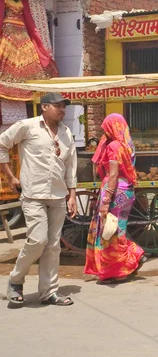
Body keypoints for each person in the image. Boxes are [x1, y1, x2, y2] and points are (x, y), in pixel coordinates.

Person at [1, 93, 77, 307]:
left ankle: (49, 292)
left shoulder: (66, 132)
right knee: (37, 240)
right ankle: (16, 281)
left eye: (64, 106)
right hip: (33, 194)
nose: (62, 109)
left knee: (53, 246)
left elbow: (70, 165)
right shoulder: (28, 126)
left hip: (58, 195)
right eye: (58, 106)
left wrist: (72, 194)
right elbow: (2, 144)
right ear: (44, 107)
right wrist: (10, 176)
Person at [84, 114, 145, 284]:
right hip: (127, 192)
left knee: (110, 233)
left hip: (115, 192)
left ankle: (118, 270)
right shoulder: (127, 145)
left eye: (105, 128)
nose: (104, 131)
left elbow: (113, 175)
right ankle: (129, 259)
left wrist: (105, 201)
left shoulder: (113, 147)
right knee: (118, 230)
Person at [0, 0, 58, 99]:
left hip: (22, 30)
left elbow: (28, 18)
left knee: (29, 56)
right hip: (8, 29)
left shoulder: (23, 1)